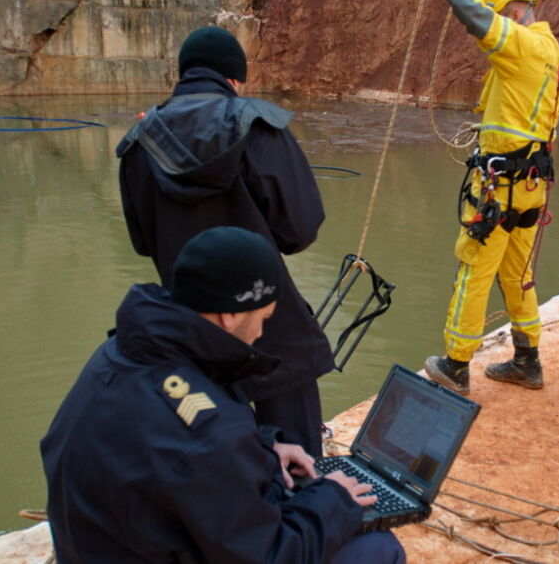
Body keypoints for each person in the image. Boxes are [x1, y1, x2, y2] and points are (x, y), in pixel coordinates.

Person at [40, 227, 406, 563]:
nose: (261, 333)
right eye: (263, 316)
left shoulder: (123, 352)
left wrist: (261, 449)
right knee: (378, 549)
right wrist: (333, 500)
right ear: (230, 316)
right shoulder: (212, 433)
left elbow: (164, 447)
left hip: (95, 548)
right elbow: (270, 556)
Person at [116, 26, 332, 456]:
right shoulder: (257, 124)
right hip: (270, 325)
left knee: (213, 457)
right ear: (234, 79)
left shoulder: (139, 143)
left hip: (189, 332)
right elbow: (300, 230)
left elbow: (143, 243)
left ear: (183, 75)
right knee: (297, 464)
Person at [421, 0, 559, 396]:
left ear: (510, 10)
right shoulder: (553, 56)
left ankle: (456, 365)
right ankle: (527, 360)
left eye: (500, 14)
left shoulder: (522, 45)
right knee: (517, 274)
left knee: (474, 270)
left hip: (502, 188)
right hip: (529, 188)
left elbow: (470, 13)